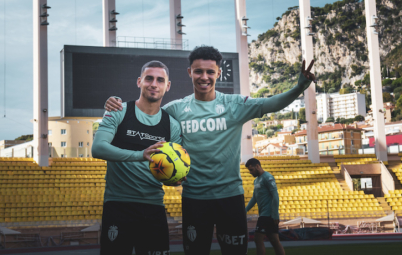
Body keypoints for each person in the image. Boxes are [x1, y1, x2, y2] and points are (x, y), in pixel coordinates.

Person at [104, 45, 315, 255]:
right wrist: (117, 104)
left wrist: (298, 88)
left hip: (230, 197)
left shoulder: (234, 104)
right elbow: (145, 118)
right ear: (190, 73)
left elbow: (271, 103)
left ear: (219, 74)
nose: (204, 77)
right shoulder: (176, 109)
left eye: (210, 72)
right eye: (198, 71)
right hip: (194, 199)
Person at [92, 60, 182, 255]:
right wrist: (140, 155)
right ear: (139, 82)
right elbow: (98, 148)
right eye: (149, 78)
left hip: (154, 207)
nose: (153, 84)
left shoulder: (171, 125)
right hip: (118, 205)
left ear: (167, 86)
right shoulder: (118, 110)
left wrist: (175, 178)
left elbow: (171, 170)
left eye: (160, 80)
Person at [245, 158, 284, 255]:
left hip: (268, 215)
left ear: (257, 166)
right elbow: (254, 198)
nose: (250, 172)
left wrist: (275, 214)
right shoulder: (256, 181)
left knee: (258, 239)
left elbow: (275, 195)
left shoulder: (268, 177)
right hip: (265, 214)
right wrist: (245, 210)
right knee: (274, 241)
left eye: (251, 169)